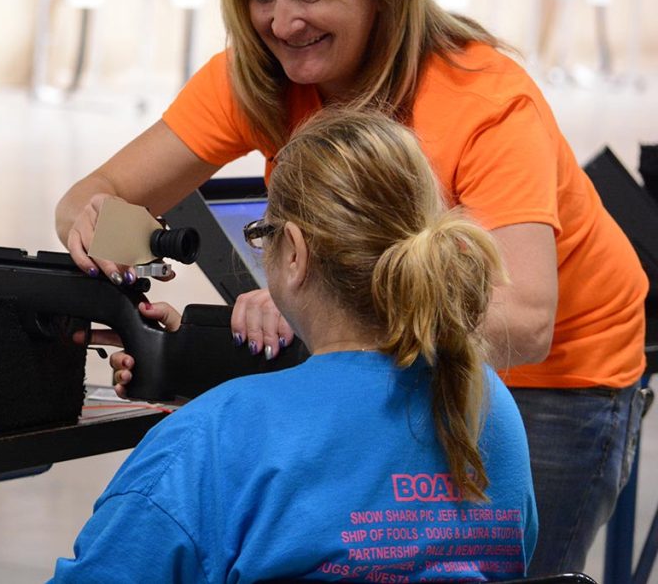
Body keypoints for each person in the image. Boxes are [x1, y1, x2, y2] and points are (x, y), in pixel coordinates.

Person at [55, 0, 648, 575]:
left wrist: (323, 311)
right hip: (386, 354)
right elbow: (93, 197)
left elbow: (526, 320)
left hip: (552, 376)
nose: (282, 21)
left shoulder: (486, 103)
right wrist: (121, 261)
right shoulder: (258, 74)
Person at [52, 109, 538, 582]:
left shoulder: (210, 442)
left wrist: (222, 418)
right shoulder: (486, 405)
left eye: (263, 237)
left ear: (295, 256)